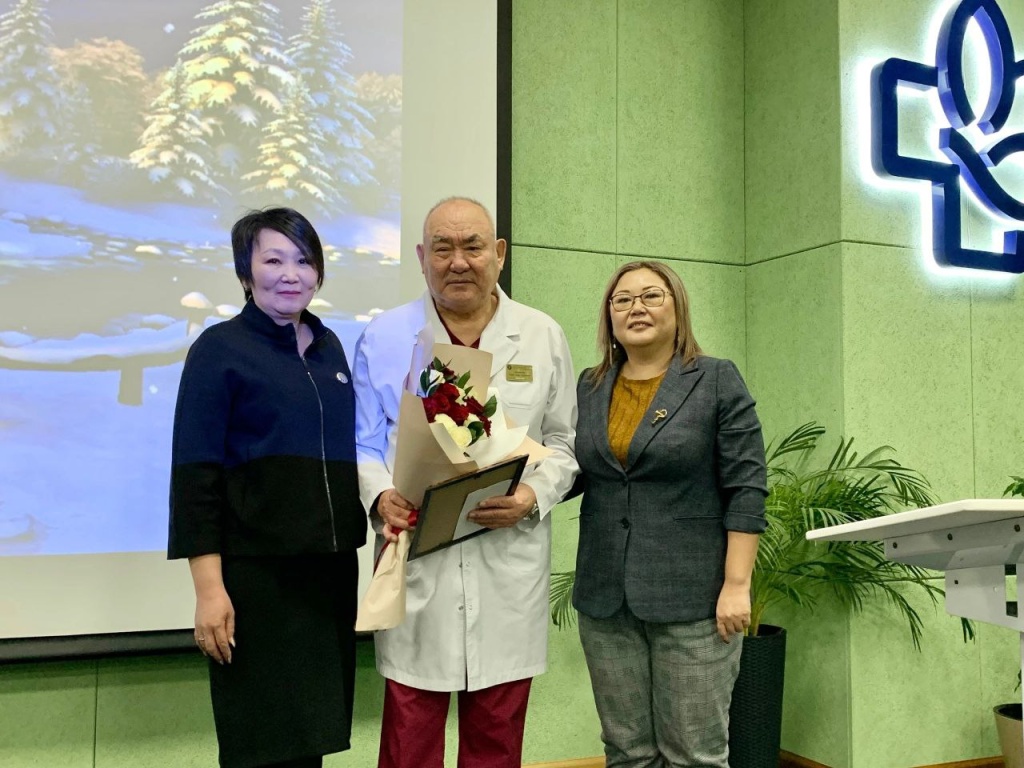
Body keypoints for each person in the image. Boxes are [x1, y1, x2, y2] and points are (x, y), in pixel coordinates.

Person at [353, 196, 578, 768]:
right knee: (409, 736)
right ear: (421, 257)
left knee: (497, 738)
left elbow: (564, 443)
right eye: (443, 248)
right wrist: (379, 495)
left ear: (499, 253)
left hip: (507, 560)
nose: (459, 261)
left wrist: (532, 496)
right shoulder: (386, 336)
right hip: (417, 558)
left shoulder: (541, 334)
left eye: (473, 246)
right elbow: (362, 442)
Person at [168, 207, 366, 768]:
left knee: (311, 742)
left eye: (303, 260)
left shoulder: (329, 347)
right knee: (259, 745)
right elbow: (195, 476)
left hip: (326, 578)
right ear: (245, 272)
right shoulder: (219, 349)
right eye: (273, 260)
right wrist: (209, 590)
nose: (290, 274)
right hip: (256, 581)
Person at [572, 260, 768, 768]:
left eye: (651, 296)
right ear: (609, 316)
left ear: (677, 308)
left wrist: (737, 585)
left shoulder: (716, 379)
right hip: (605, 599)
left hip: (695, 599)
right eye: (622, 300)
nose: (635, 308)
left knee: (694, 755)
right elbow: (572, 470)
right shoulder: (589, 385)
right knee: (626, 752)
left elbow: (746, 488)